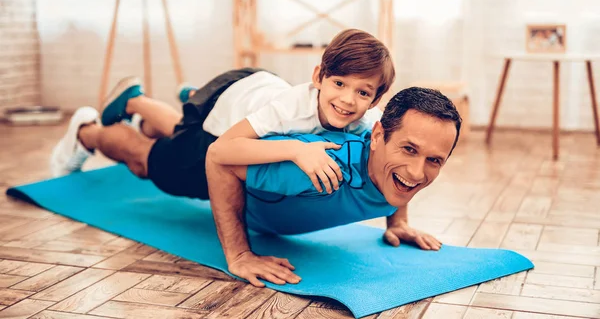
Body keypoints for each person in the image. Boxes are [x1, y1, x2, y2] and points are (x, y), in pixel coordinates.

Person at [51, 28, 395, 199]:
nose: (349, 100)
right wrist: (296, 149)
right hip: (229, 102)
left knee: (186, 133)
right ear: (318, 76)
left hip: (245, 93)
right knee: (152, 164)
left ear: (375, 97)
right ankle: (89, 129)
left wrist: (397, 219)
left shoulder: (367, 117)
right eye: (338, 83)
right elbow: (225, 148)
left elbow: (393, 153)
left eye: (362, 92)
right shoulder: (291, 110)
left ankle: (175, 99)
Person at [205, 87, 462, 287]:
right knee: (170, 148)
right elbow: (219, 161)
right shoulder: (322, 168)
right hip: (212, 140)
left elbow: (405, 176)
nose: (417, 172)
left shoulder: (393, 169)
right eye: (409, 149)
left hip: (265, 99)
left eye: (434, 160)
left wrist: (398, 222)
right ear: (377, 137)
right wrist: (239, 255)